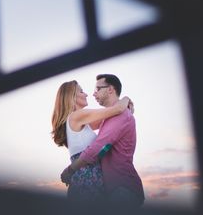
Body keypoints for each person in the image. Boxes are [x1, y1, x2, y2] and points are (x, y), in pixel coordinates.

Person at [60, 74, 144, 207]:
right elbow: (116, 110)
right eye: (82, 91)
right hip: (91, 180)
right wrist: (126, 99)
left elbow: (98, 146)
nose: (91, 94)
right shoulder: (78, 116)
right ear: (72, 97)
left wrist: (70, 170)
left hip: (120, 187)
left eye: (98, 89)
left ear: (110, 89)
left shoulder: (112, 116)